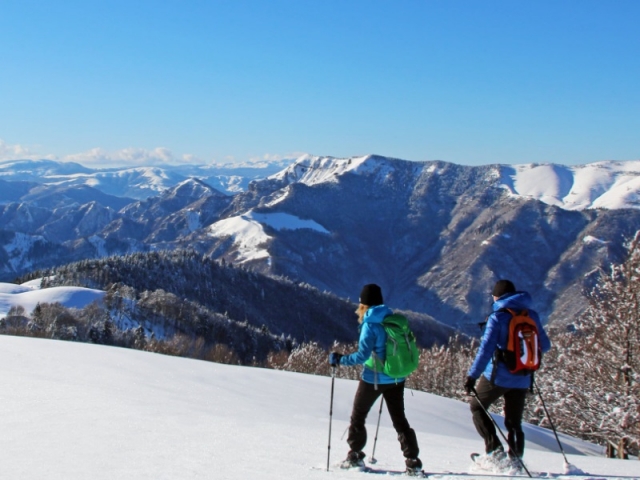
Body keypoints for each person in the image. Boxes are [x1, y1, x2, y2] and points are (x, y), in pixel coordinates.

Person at [329, 284, 422, 475]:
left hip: (373, 379)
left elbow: (362, 356)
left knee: (358, 416)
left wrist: (340, 359)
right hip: (396, 378)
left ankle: (355, 456)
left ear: (364, 304)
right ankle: (413, 462)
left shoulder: (370, 324)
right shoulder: (391, 319)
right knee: (400, 420)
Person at [464, 279, 551, 466]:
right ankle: (516, 460)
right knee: (514, 422)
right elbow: (546, 345)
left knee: (477, 406)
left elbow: (485, 350)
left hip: (498, 376)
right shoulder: (531, 315)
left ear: (497, 297)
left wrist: (472, 376)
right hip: (523, 376)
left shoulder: (498, 317)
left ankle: (494, 452)